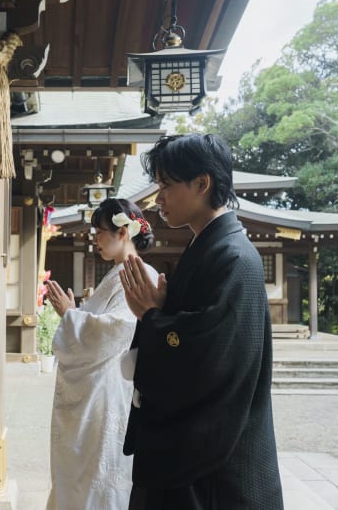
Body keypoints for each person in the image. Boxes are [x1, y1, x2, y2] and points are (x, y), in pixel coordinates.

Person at [119, 133, 284, 509]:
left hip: (214, 460)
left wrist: (153, 316)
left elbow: (210, 354)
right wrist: (162, 310)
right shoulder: (207, 247)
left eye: (165, 186)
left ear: (202, 183)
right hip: (191, 444)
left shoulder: (234, 258)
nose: (157, 198)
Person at [44, 198, 159, 510]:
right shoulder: (121, 273)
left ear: (123, 233)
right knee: (87, 472)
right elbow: (100, 325)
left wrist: (72, 316)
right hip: (101, 388)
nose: (94, 238)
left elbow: (116, 331)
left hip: (109, 391)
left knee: (99, 471)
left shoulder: (138, 273)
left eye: (100, 231)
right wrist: (75, 316)